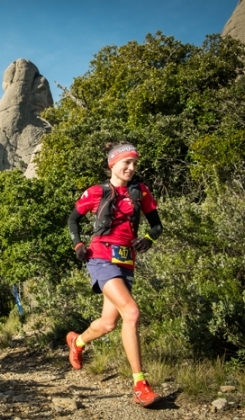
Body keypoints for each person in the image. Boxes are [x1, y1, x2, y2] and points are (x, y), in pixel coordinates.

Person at [66, 143, 164, 408]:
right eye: (126, 163)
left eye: (134, 164)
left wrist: (148, 239)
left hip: (126, 260)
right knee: (131, 313)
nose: (131, 168)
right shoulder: (97, 191)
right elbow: (73, 219)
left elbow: (157, 225)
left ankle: (78, 341)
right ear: (113, 164)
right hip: (100, 256)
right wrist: (78, 245)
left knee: (109, 323)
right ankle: (140, 384)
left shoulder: (140, 191)